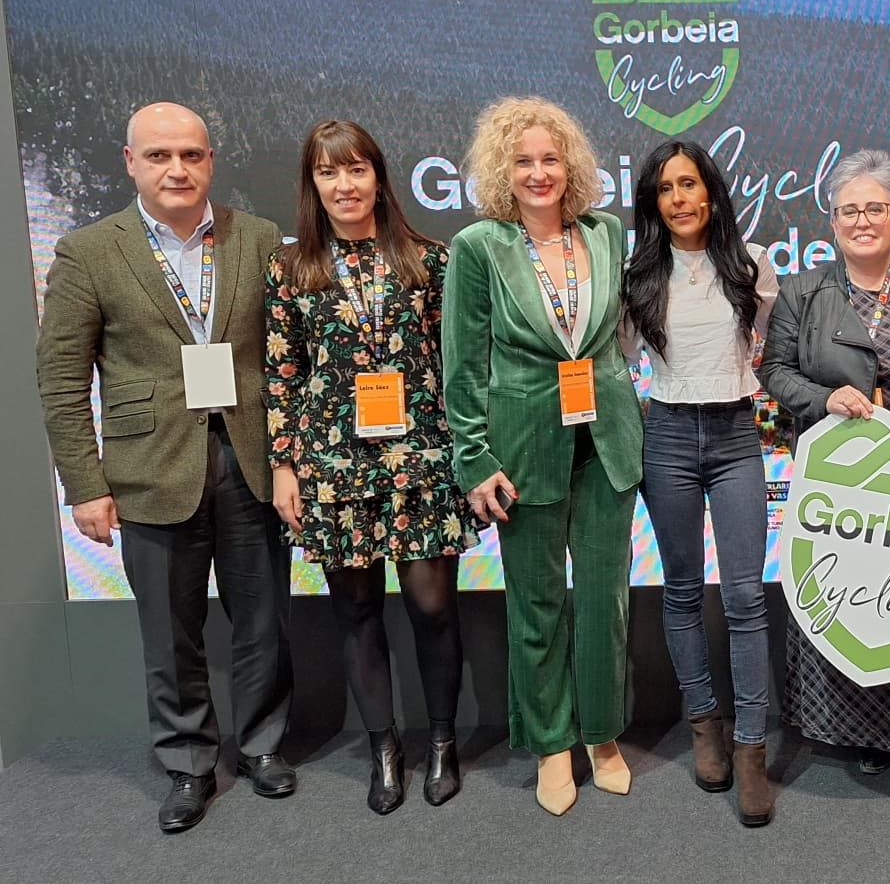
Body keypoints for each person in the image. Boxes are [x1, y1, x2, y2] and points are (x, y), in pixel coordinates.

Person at [35, 102, 294, 832]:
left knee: (264, 620)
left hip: (251, 460)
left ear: (211, 160)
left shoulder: (259, 238)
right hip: (148, 470)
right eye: (158, 156)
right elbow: (60, 380)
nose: (176, 169)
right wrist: (84, 485)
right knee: (170, 632)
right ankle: (187, 766)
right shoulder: (87, 251)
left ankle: (263, 747)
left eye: (190, 154)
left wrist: (289, 461)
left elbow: (284, 362)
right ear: (130, 162)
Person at [265, 120, 476, 814]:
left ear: (379, 178)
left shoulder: (430, 260)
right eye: (329, 173)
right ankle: (384, 750)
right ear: (313, 184)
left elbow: (460, 369)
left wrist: (467, 457)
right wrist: (285, 466)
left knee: (432, 607)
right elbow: (283, 375)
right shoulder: (291, 268)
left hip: (421, 460)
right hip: (332, 465)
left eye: (356, 169)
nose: (344, 184)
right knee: (354, 612)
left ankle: (442, 740)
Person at [442, 97, 643, 816]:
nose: (538, 173)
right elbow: (462, 368)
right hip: (521, 449)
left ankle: (603, 734)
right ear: (503, 169)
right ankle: (552, 743)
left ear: (572, 166)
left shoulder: (607, 234)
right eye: (523, 161)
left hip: (608, 443)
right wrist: (472, 458)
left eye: (550, 159)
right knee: (535, 605)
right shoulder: (478, 248)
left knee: (605, 601)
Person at [759, 149, 890, 798]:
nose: (861, 219)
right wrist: (824, 399)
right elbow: (773, 371)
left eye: (875, 207)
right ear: (830, 220)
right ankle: (868, 737)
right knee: (853, 600)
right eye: (848, 209)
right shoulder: (803, 292)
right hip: (841, 479)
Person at [621, 140, 779, 826]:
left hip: (737, 436)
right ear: (652, 203)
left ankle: (750, 748)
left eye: (689, 184)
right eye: (665, 189)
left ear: (711, 191)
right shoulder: (635, 276)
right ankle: (703, 726)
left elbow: (763, 345)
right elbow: (620, 358)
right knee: (682, 590)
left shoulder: (753, 267)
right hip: (668, 438)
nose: (680, 198)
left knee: (745, 595)